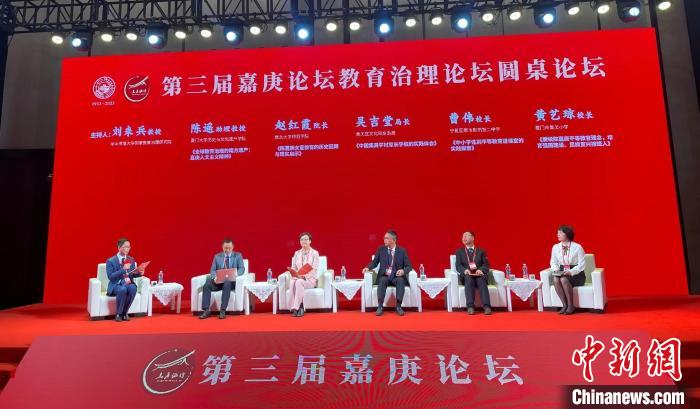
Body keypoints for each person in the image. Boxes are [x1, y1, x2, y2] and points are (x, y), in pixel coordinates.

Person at [362, 230, 413, 316]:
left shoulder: (402, 251)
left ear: (393, 240)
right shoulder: (381, 249)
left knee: (401, 281)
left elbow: (409, 266)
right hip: (385, 276)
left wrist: (403, 271)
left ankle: (398, 307)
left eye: (386, 238)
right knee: (382, 280)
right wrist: (367, 267)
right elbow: (374, 262)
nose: (384, 240)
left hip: (396, 276)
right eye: (384, 238)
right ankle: (380, 307)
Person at [199, 238, 245, 319]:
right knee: (207, 285)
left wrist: (236, 274)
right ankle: (206, 310)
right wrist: (214, 277)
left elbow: (242, 268)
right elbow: (212, 270)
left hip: (230, 281)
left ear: (233, 247)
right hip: (219, 281)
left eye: (229, 248)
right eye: (226, 248)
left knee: (227, 283)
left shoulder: (238, 256)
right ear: (222, 247)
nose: (227, 250)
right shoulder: (217, 256)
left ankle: (222, 310)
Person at [549, 225, 587, 315]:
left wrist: (571, 272)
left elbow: (582, 264)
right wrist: (556, 270)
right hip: (562, 271)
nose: (558, 235)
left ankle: (571, 305)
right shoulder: (555, 247)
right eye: (557, 233)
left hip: (577, 274)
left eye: (560, 233)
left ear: (567, 234)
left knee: (563, 279)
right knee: (556, 279)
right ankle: (564, 305)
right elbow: (553, 261)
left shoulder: (578, 247)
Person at [105, 238, 145, 322]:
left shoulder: (131, 259)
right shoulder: (110, 261)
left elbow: (132, 274)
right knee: (122, 289)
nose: (127, 249)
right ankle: (118, 314)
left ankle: (125, 313)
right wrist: (123, 269)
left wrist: (139, 273)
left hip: (127, 283)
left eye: (129, 247)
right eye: (125, 247)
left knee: (133, 287)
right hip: (115, 285)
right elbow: (111, 277)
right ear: (119, 247)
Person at [455, 231, 492, 315]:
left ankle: (487, 307)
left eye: (466, 236)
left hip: (479, 275)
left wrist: (481, 270)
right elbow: (458, 265)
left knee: (481, 279)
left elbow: (486, 264)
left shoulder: (481, 251)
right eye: (463, 236)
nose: (464, 238)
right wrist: (464, 270)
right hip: (467, 275)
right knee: (468, 278)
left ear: (472, 238)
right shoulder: (459, 252)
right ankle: (470, 307)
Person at [286, 232, 320, 317]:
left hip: (310, 279)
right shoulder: (296, 253)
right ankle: (295, 307)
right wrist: (294, 273)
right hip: (298, 277)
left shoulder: (315, 253)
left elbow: (314, 269)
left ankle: (299, 307)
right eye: (301, 240)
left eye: (306, 239)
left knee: (299, 282)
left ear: (310, 241)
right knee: (292, 282)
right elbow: (294, 267)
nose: (303, 241)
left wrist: (304, 276)